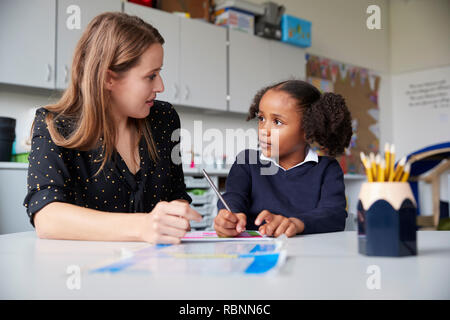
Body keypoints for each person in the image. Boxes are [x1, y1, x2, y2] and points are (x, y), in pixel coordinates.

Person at [23, 12, 202, 244]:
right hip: (85, 271)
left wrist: (176, 214)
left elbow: (177, 194)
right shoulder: (55, 125)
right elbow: (47, 217)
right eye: (150, 76)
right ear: (109, 79)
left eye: (160, 73)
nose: (161, 85)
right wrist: (143, 226)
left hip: (157, 268)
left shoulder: (164, 119)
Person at [214, 80, 353, 237]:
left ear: (308, 129)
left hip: (307, 255)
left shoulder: (327, 169)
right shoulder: (246, 161)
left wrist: (296, 223)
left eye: (277, 122)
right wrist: (229, 215)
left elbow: (334, 215)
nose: (264, 131)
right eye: (261, 119)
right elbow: (234, 196)